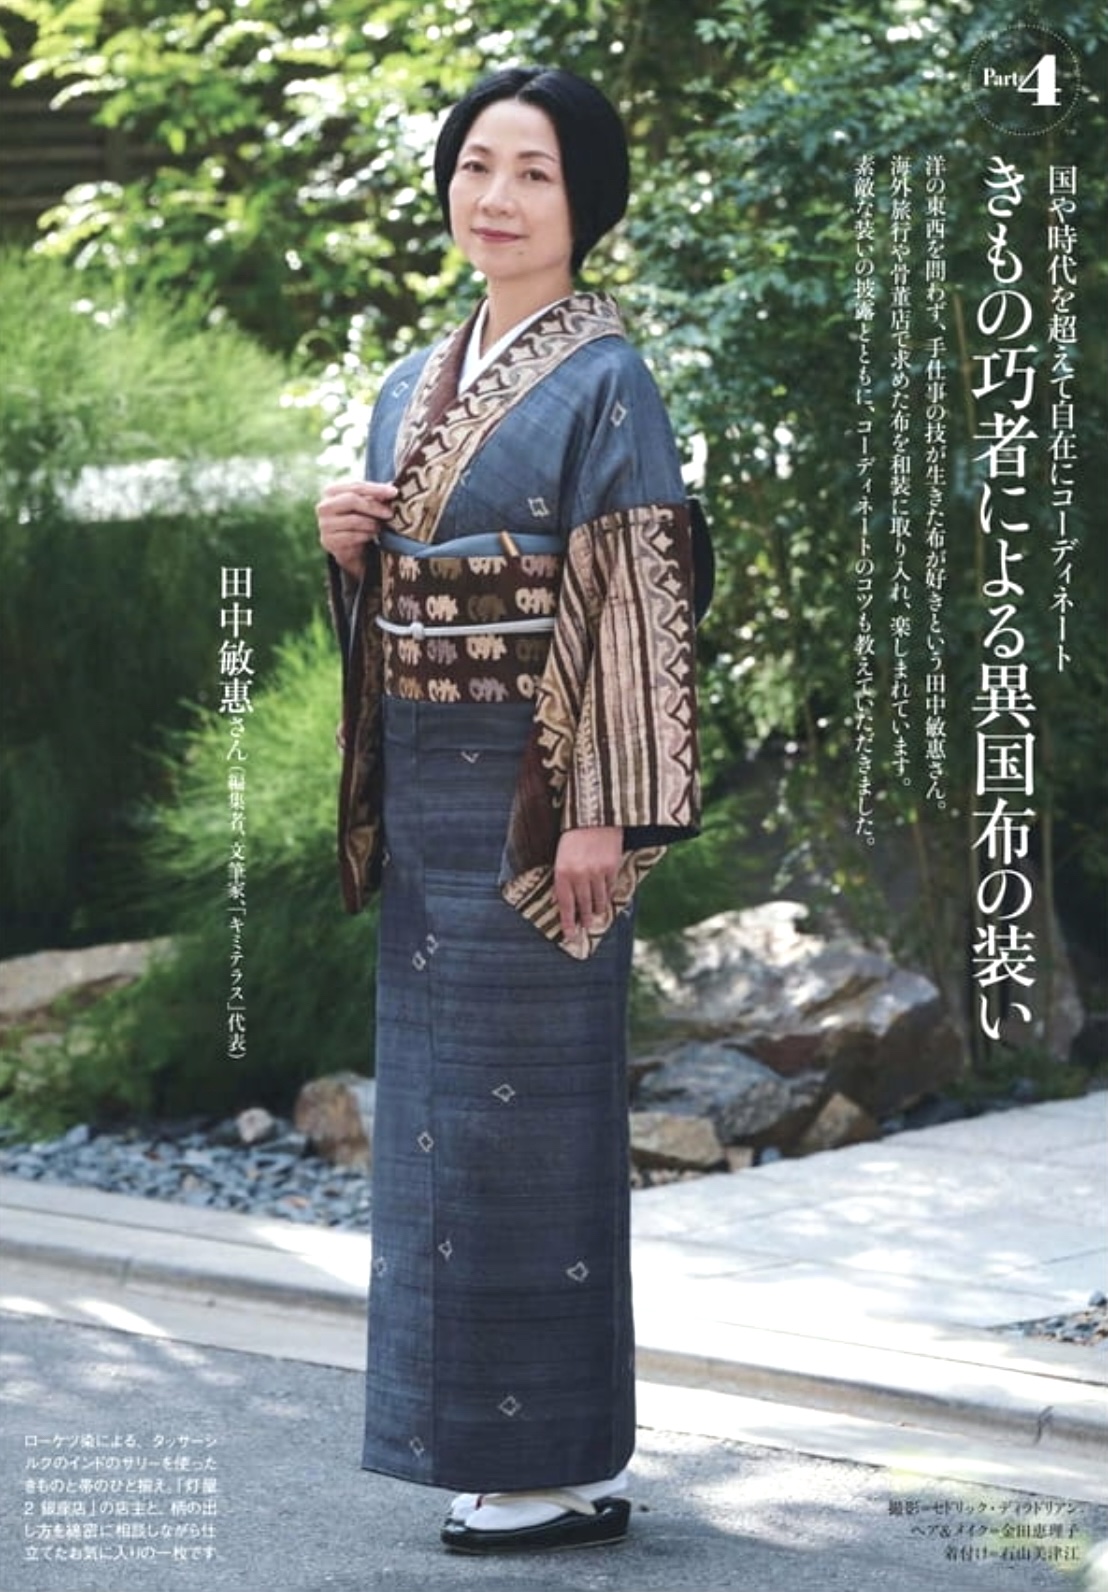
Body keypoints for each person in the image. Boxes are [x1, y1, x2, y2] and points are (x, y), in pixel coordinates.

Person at [316, 64, 701, 1556]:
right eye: (478, 165)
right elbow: (398, 591)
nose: (497, 198)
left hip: (544, 804)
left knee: (533, 1120)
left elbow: (639, 597)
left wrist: (603, 806)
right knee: (439, 1124)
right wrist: (350, 548)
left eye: (534, 173)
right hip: (432, 797)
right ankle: (505, 1451)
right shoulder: (409, 386)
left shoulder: (607, 381)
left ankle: (547, 1465)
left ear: (585, 200)